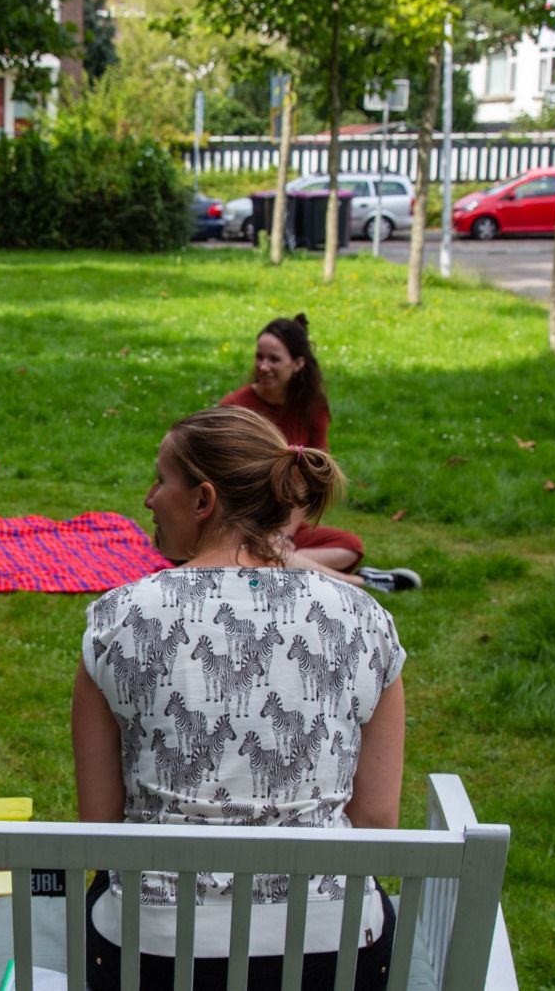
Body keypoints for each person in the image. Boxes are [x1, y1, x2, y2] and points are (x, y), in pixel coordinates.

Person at [73, 406, 407, 991]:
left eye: (160, 480)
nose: (149, 498)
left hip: (154, 950)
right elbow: (377, 821)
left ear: (203, 500)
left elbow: (101, 828)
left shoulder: (117, 619)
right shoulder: (363, 620)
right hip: (332, 949)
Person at [220, 314, 420, 592]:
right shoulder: (235, 407)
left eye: (274, 359)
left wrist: (283, 535)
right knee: (256, 549)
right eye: (259, 357)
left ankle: (265, 566)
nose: (263, 367)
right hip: (243, 521)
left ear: (298, 363)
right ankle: (360, 582)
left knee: (350, 548)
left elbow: (310, 480)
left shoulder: (312, 408)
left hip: (284, 524)